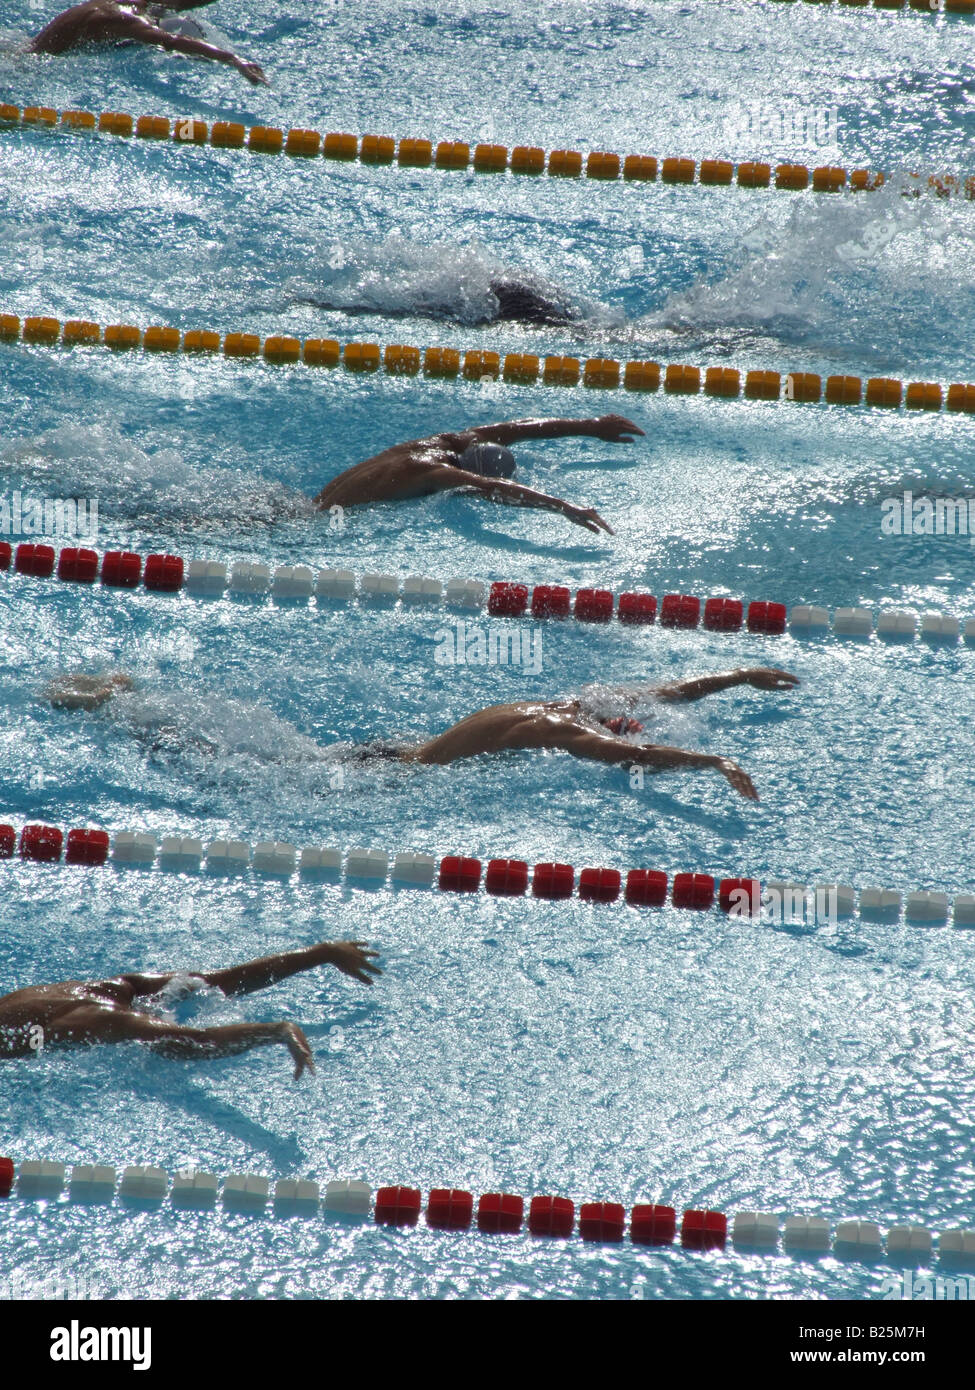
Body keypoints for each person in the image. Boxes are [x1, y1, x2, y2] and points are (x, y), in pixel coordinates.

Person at [47, 667, 799, 799]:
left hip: (383, 751)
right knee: (220, 762)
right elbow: (638, 751)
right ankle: (116, 713)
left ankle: (125, 701)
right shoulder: (567, 734)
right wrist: (713, 758)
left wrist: (734, 676)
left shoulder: (562, 705)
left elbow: (658, 695)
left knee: (252, 750)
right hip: (385, 778)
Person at [0, 939, 381, 1078]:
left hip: (80, 1017)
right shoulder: (114, 992)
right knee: (192, 1014)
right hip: (91, 1006)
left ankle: (278, 1027)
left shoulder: (95, 1013)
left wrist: (276, 1032)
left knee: (175, 1044)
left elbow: (197, 1037)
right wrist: (320, 953)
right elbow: (222, 985)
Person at [314, 413, 646, 534]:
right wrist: (564, 507)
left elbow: (516, 429)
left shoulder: (444, 443)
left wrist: (591, 426)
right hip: (319, 525)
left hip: (310, 505)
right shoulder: (438, 472)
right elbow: (491, 486)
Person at [28, 2, 269, 86]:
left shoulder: (123, 3)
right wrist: (233, 59)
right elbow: (173, 41)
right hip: (31, 68)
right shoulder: (130, 20)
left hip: (28, 49)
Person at [297, 275, 578, 329]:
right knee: (418, 312)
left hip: (513, 293)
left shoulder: (564, 320)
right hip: (507, 302)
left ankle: (328, 305)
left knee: (414, 310)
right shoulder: (561, 325)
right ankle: (328, 305)